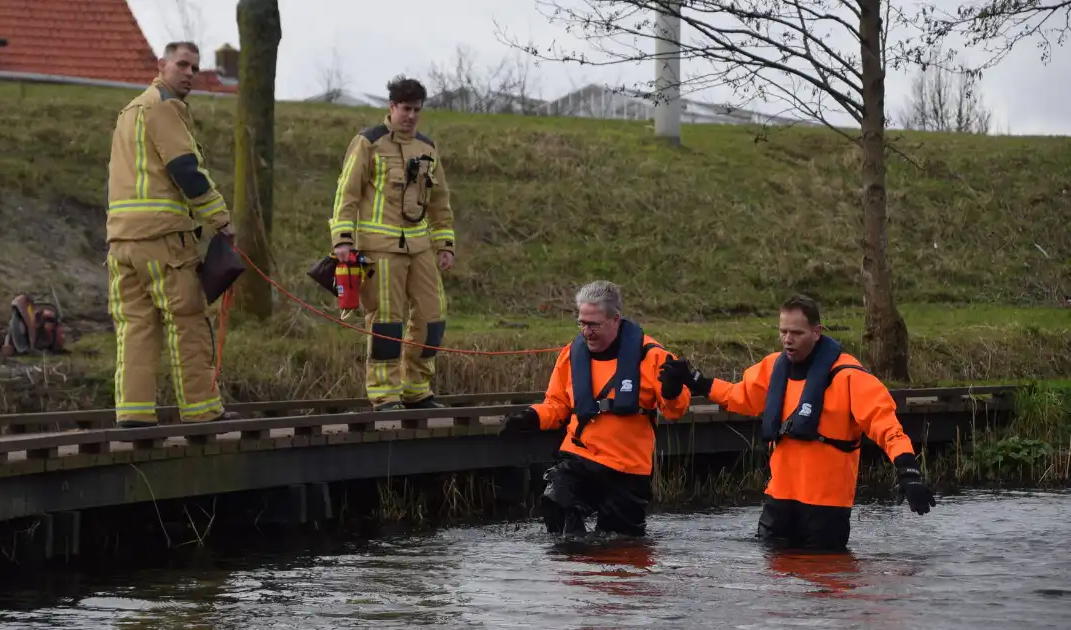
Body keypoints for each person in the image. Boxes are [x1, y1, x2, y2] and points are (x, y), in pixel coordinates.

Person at [664, 294, 936, 550]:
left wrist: (908, 472)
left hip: (825, 509)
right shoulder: (772, 368)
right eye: (783, 332)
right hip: (779, 503)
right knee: (779, 595)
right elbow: (738, 395)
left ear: (817, 332)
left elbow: (887, 427)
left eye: (796, 333)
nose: (787, 340)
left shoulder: (850, 377)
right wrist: (696, 381)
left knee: (825, 592)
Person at [104, 41, 240, 428]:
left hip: (122, 241)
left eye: (195, 68)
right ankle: (201, 410)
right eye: (182, 64)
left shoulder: (129, 112)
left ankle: (134, 414)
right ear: (161, 65)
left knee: (135, 326)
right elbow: (186, 171)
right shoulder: (163, 108)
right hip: (164, 239)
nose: (190, 73)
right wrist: (221, 218)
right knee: (188, 320)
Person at [500, 280, 692, 537]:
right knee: (556, 505)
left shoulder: (653, 357)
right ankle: (573, 567)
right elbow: (557, 404)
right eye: (581, 323)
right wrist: (531, 418)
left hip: (627, 467)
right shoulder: (571, 354)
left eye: (593, 325)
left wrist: (672, 390)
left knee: (621, 549)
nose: (586, 332)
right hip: (580, 457)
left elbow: (676, 410)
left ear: (615, 319)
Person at [327, 76, 456, 411]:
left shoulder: (427, 148)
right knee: (386, 321)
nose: (411, 116)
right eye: (405, 108)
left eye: (417, 109)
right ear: (392, 107)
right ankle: (384, 392)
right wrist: (342, 239)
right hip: (379, 248)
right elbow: (347, 193)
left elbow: (440, 200)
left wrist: (444, 243)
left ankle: (416, 387)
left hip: (420, 247)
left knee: (433, 317)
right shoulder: (368, 142)